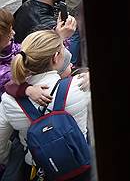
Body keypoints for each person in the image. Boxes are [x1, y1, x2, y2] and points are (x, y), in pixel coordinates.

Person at [0, 30, 92, 180]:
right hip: (81, 165)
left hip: (39, 169)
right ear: (56, 58)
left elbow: (0, 144)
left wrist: (11, 158)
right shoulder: (80, 86)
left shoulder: (8, 101)